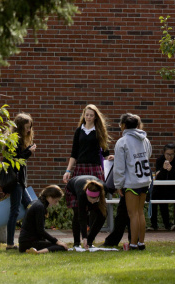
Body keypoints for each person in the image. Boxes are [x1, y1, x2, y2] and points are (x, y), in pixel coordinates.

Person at [62, 103, 109, 249]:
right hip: (80, 169)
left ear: (95, 117)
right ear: (84, 115)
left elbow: (105, 151)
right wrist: (68, 170)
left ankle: (89, 240)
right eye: (86, 115)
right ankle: (77, 242)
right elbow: (74, 153)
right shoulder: (79, 131)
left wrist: (110, 158)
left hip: (95, 169)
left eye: (91, 115)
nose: (88, 117)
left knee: (95, 205)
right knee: (78, 208)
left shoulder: (99, 131)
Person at [112, 112, 152, 250]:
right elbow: (148, 154)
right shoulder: (145, 140)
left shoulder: (122, 142)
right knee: (140, 212)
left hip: (131, 182)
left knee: (133, 214)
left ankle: (133, 244)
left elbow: (119, 167)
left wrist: (118, 184)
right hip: (145, 180)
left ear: (123, 125)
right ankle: (141, 242)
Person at [5, 111, 37, 251]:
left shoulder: (19, 140)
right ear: (19, 127)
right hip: (16, 181)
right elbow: (15, 161)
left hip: (20, 182)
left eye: (30, 127)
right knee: (15, 211)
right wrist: (29, 152)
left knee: (30, 207)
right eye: (27, 127)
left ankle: (31, 237)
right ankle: (10, 243)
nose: (29, 130)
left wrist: (28, 150)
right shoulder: (14, 141)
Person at [18, 185, 68, 253]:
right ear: (50, 197)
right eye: (56, 201)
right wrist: (57, 241)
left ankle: (33, 250)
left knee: (54, 244)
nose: (56, 204)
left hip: (24, 242)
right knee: (61, 247)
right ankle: (37, 252)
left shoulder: (34, 202)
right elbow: (41, 231)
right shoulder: (40, 207)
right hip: (29, 243)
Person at [66, 176, 107, 249]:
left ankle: (90, 241)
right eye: (90, 199)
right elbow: (82, 217)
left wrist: (88, 239)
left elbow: (103, 214)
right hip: (72, 188)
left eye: (95, 199)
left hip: (89, 185)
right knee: (77, 213)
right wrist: (84, 237)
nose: (92, 202)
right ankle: (76, 243)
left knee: (103, 215)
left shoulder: (103, 189)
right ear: (86, 194)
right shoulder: (81, 193)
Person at [150, 144, 175, 231]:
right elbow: (158, 177)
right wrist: (164, 169)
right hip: (160, 189)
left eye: (172, 154)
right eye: (167, 154)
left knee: (163, 198)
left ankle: (167, 224)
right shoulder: (160, 160)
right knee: (153, 197)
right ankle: (153, 224)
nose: (170, 157)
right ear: (164, 153)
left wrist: (171, 169)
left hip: (171, 189)